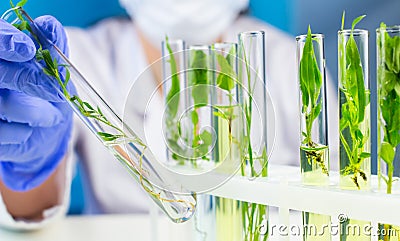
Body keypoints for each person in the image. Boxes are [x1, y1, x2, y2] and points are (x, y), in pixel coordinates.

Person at [0, 0, 338, 229]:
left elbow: (340, 206)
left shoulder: (286, 60)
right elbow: (30, 212)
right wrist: (29, 163)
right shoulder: (79, 59)